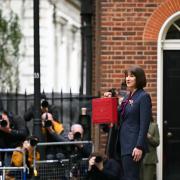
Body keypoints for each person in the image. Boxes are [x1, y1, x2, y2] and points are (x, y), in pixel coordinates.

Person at [104, 65, 152, 180]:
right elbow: (117, 115)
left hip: (133, 145)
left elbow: (144, 124)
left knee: (131, 177)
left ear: (139, 78)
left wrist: (139, 146)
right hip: (122, 144)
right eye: (126, 76)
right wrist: (109, 100)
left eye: (131, 76)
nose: (128, 78)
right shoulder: (127, 97)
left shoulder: (143, 97)